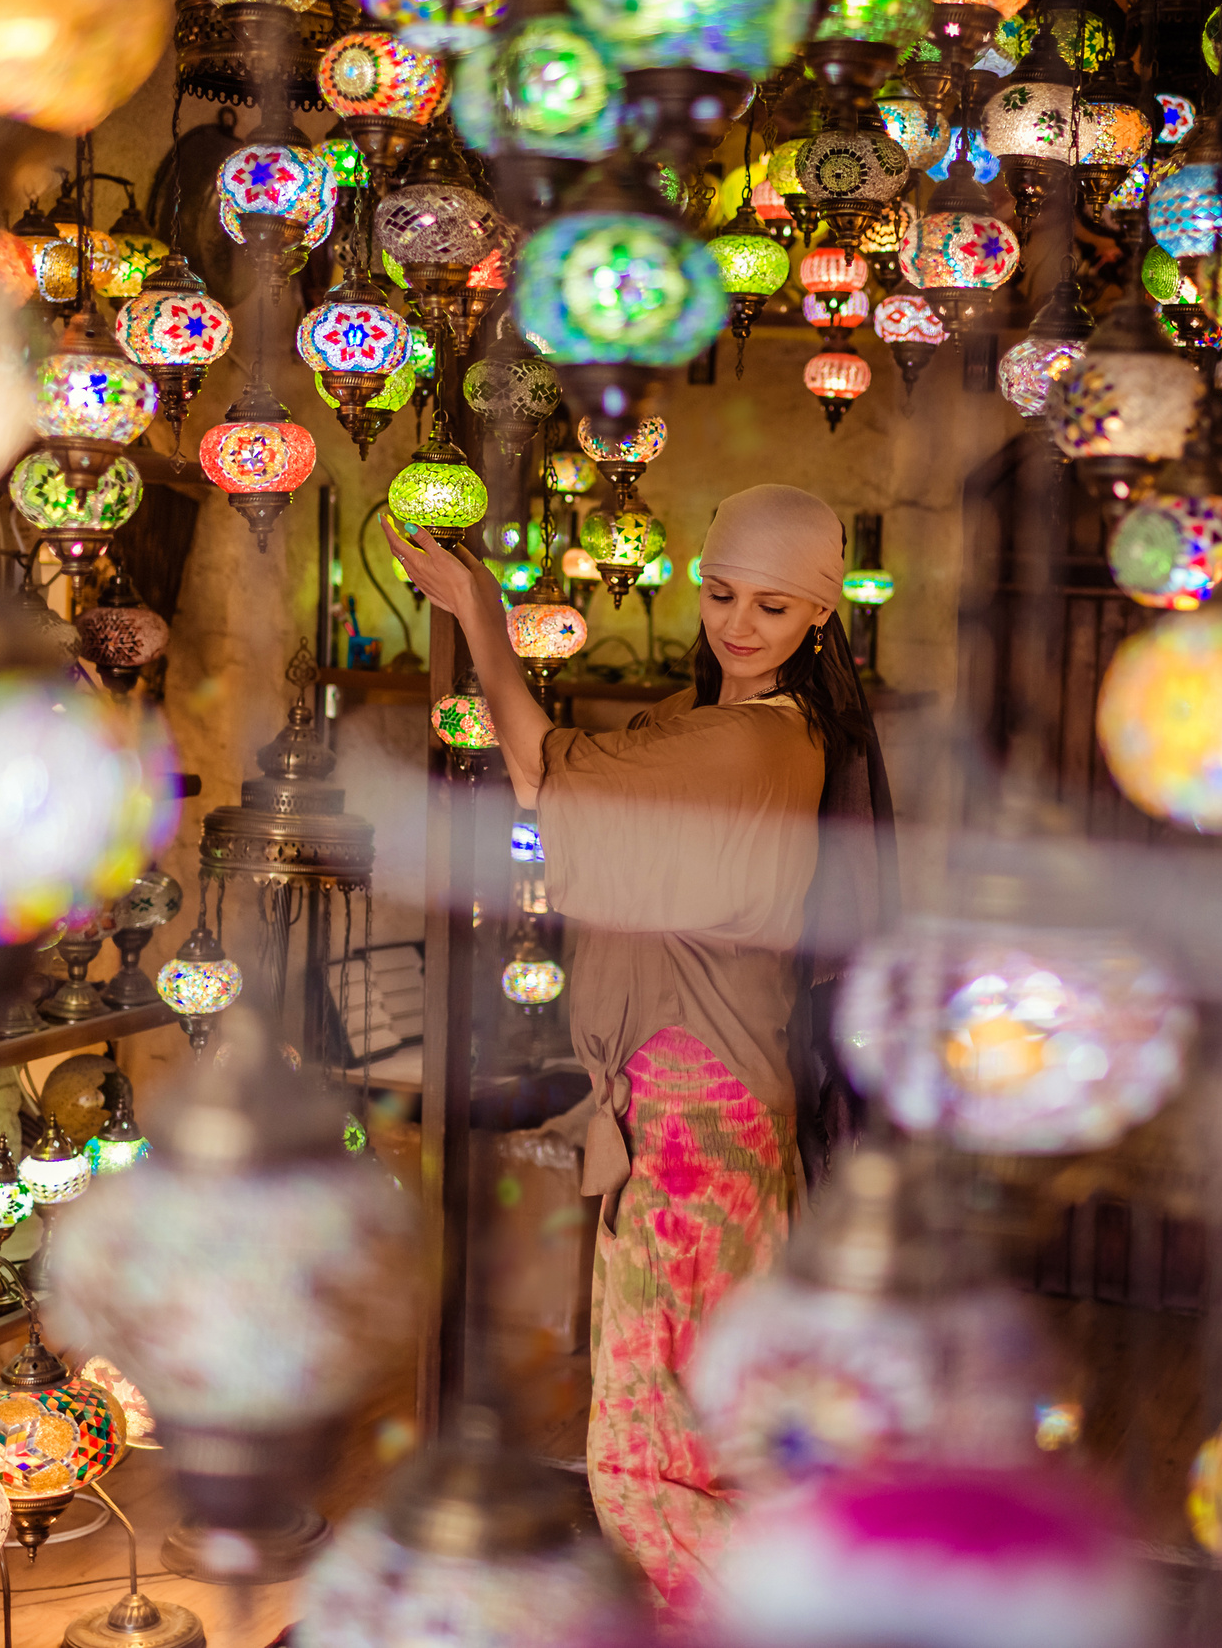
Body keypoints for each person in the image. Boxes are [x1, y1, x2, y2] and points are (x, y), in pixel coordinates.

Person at [385, 481, 897, 1613]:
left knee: (639, 1459)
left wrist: (480, 614)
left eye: (773, 606)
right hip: (705, 1104)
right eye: (720, 593)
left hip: (689, 1120)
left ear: (819, 618)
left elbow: (545, 772)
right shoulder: (721, 726)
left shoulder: (746, 747)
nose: (738, 624)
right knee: (711, 1429)